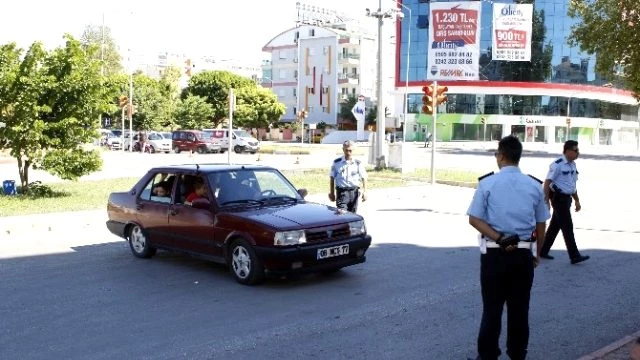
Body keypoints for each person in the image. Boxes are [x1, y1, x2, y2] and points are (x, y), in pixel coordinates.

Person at [467, 135, 550, 360]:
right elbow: (541, 224)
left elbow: (474, 219)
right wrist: (536, 252)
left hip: (494, 254)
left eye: (496, 153)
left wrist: (499, 237)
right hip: (523, 255)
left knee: (492, 309)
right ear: (518, 157)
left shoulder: (487, 183)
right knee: (519, 310)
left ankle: (487, 355)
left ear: (501, 156)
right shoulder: (534, 185)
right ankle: (517, 354)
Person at [539, 140, 590, 264]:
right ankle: (574, 255)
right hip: (558, 199)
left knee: (554, 227)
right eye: (575, 150)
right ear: (567, 151)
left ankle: (543, 251)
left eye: (578, 150)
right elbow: (547, 183)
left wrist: (577, 200)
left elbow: (572, 186)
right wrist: (546, 201)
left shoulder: (572, 165)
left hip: (567, 199)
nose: (578, 153)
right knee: (567, 227)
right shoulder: (557, 164)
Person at [328, 140, 367, 213]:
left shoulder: (358, 163)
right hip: (342, 193)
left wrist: (365, 192)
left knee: (352, 215)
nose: (348, 153)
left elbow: (364, 177)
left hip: (354, 192)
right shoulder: (337, 163)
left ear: (353, 150)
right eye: (346, 150)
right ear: (343, 149)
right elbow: (332, 177)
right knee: (342, 214)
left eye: (350, 150)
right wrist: (332, 193)